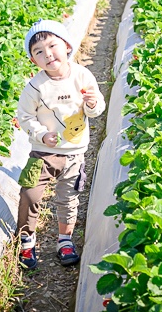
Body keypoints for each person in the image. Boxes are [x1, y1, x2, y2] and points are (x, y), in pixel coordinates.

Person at [16, 19, 105, 268]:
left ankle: (65, 241)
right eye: (39, 52)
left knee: (68, 199)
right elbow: (25, 116)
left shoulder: (82, 75)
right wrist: (42, 134)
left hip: (74, 153)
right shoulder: (35, 86)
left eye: (52, 45)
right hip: (42, 152)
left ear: (66, 46)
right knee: (30, 194)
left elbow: (96, 109)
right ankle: (26, 240)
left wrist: (92, 103)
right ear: (34, 61)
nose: (48, 54)